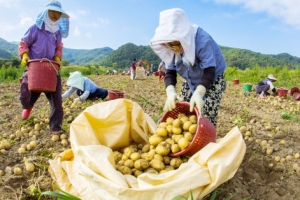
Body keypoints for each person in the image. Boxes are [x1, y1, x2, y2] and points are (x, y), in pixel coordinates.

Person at [150, 8, 227, 127]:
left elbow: (209, 71)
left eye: (175, 44)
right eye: (169, 45)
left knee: (205, 113)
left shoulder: (202, 41)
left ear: (183, 36)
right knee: (184, 111)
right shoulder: (171, 47)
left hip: (212, 78)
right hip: (190, 77)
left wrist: (199, 93)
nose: (173, 48)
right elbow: (170, 71)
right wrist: (170, 92)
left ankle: (205, 136)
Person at [18, 0, 69, 134]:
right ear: (46, 12)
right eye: (52, 11)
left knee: (56, 100)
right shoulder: (35, 28)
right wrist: (24, 55)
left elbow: (59, 47)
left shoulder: (57, 32)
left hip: (51, 70)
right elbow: (24, 42)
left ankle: (55, 127)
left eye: (58, 13)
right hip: (34, 68)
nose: (55, 15)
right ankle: (28, 106)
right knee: (26, 95)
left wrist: (58, 57)